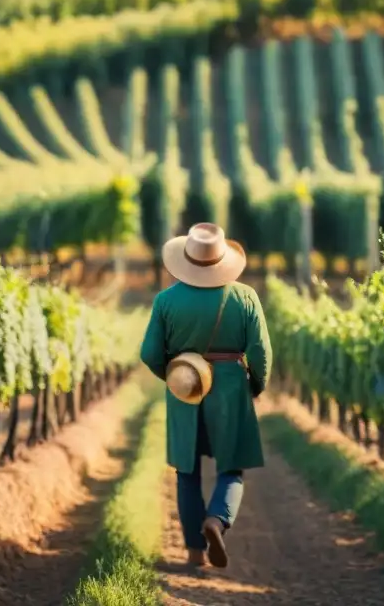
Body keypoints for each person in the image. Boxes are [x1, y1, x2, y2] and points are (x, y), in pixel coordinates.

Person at [140, 222, 272, 569]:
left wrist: (175, 377)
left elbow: (150, 352)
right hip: (230, 385)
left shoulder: (166, 300)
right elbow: (260, 353)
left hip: (185, 387)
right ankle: (217, 519)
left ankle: (195, 552)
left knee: (187, 472)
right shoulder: (245, 297)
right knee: (231, 469)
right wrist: (252, 387)